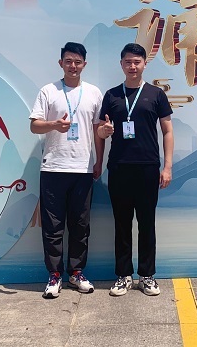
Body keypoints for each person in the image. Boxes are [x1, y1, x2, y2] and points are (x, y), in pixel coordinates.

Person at [96, 43, 173, 297]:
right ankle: (123, 275)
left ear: (144, 64)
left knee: (147, 223)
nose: (132, 66)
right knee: (121, 224)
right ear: (121, 64)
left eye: (137, 62)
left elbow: (168, 131)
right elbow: (100, 131)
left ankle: (147, 276)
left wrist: (167, 167)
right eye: (128, 62)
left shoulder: (156, 94)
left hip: (148, 168)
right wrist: (104, 131)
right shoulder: (112, 95)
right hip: (119, 167)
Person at [30, 42, 104, 299]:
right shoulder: (48, 91)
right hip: (53, 167)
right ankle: (54, 275)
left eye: (78, 62)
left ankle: (76, 273)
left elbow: (97, 130)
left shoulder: (94, 93)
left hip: (83, 169)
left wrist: (99, 161)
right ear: (60, 63)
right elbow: (34, 125)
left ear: (85, 64)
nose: (73, 66)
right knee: (53, 226)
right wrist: (53, 124)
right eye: (68, 61)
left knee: (80, 225)